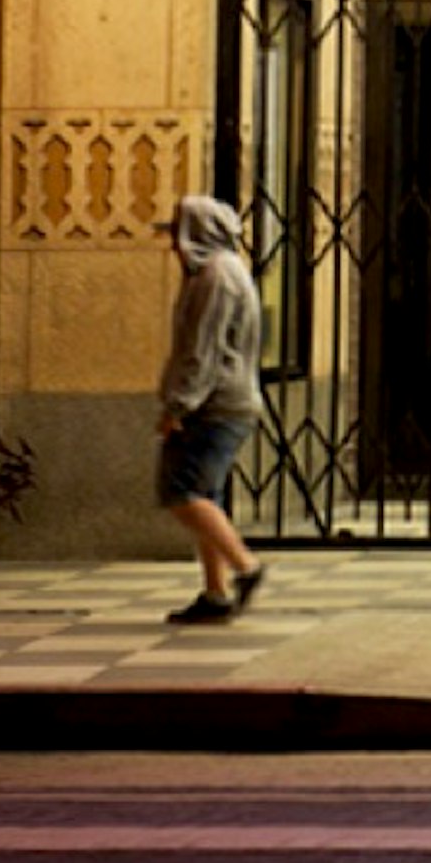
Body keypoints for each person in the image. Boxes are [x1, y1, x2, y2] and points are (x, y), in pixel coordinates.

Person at [155, 195, 271, 624]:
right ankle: (215, 591)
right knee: (207, 496)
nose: (173, 245)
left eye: (177, 234)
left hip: (215, 405)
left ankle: (246, 568)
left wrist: (178, 406)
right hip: (224, 401)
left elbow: (202, 351)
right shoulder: (226, 272)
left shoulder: (215, 278)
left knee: (181, 492)